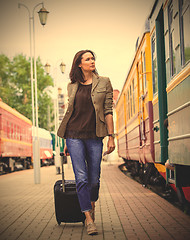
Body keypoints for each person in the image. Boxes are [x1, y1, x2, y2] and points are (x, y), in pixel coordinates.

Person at [57, 50, 115, 235]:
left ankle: (91, 204)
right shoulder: (72, 86)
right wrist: (67, 140)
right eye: (87, 59)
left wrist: (111, 136)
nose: (92, 61)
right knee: (81, 177)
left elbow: (108, 110)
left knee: (94, 179)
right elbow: (71, 112)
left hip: (95, 136)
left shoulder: (104, 82)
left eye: (93, 58)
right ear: (79, 64)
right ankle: (88, 218)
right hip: (73, 135)